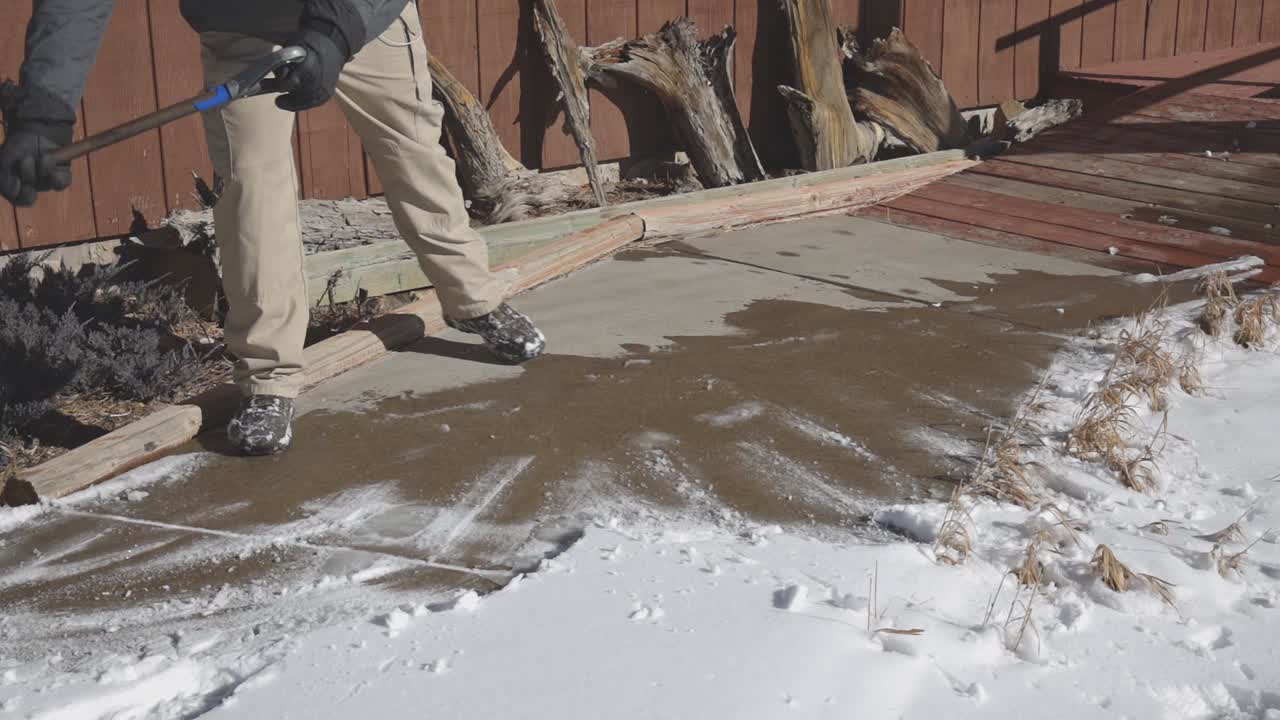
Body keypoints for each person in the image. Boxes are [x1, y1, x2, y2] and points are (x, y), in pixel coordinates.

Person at [0, 0, 547, 456]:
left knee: (413, 157)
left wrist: (333, 33)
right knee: (250, 190)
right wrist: (43, 114)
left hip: (362, 18)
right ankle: (270, 377)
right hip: (245, 25)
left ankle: (472, 299)